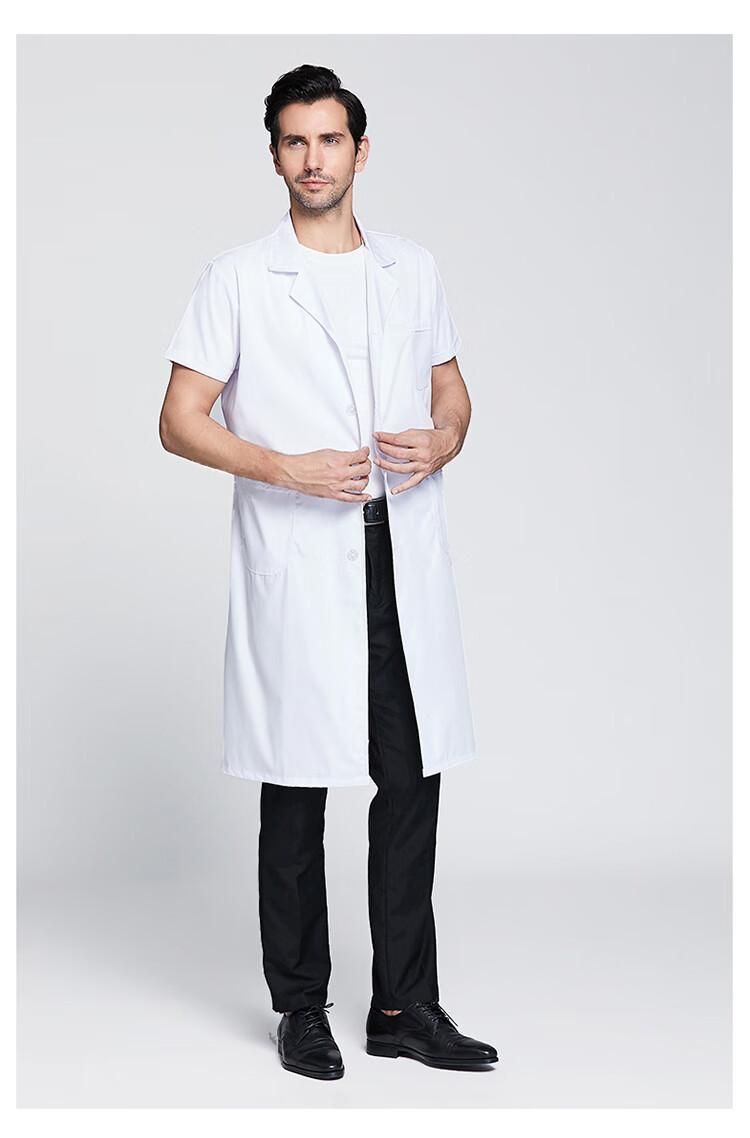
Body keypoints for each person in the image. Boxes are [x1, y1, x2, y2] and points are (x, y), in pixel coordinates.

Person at [159, 63, 498, 1080]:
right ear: (275, 156)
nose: (314, 159)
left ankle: (403, 1005)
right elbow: (178, 420)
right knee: (297, 783)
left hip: (397, 551)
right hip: (303, 560)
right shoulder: (237, 278)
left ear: (361, 150)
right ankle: (300, 1005)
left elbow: (453, 393)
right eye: (295, 141)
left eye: (331, 140)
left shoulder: (412, 270)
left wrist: (443, 440)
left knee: (411, 776)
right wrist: (285, 468)